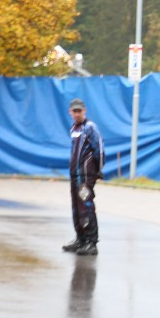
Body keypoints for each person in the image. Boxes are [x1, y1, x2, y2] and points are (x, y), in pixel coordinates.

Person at [63, 98, 105, 256]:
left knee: (86, 206)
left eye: (79, 111)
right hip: (75, 174)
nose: (77, 114)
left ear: (84, 111)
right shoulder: (74, 129)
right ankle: (80, 238)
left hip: (86, 176)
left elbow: (99, 149)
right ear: (70, 112)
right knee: (76, 206)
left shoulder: (90, 127)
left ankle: (91, 242)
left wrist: (98, 170)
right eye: (74, 111)